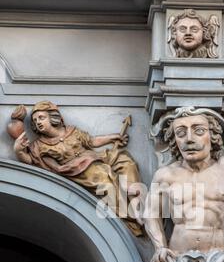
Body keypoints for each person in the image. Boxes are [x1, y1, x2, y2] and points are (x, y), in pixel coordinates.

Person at [144, 98, 224, 262]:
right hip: (177, 259)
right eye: (181, 133)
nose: (189, 139)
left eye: (199, 131)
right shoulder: (166, 175)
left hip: (216, 260)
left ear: (212, 136)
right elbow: (151, 214)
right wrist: (160, 247)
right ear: (174, 140)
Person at [13, 101, 143, 236]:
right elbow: (32, 161)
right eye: (35, 120)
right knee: (104, 177)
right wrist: (19, 151)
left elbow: (91, 141)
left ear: (53, 117)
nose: (38, 122)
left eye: (41, 117)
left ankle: (134, 198)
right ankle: (130, 215)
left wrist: (112, 138)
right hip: (76, 170)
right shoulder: (39, 145)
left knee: (124, 159)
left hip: (95, 157)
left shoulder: (72, 131)